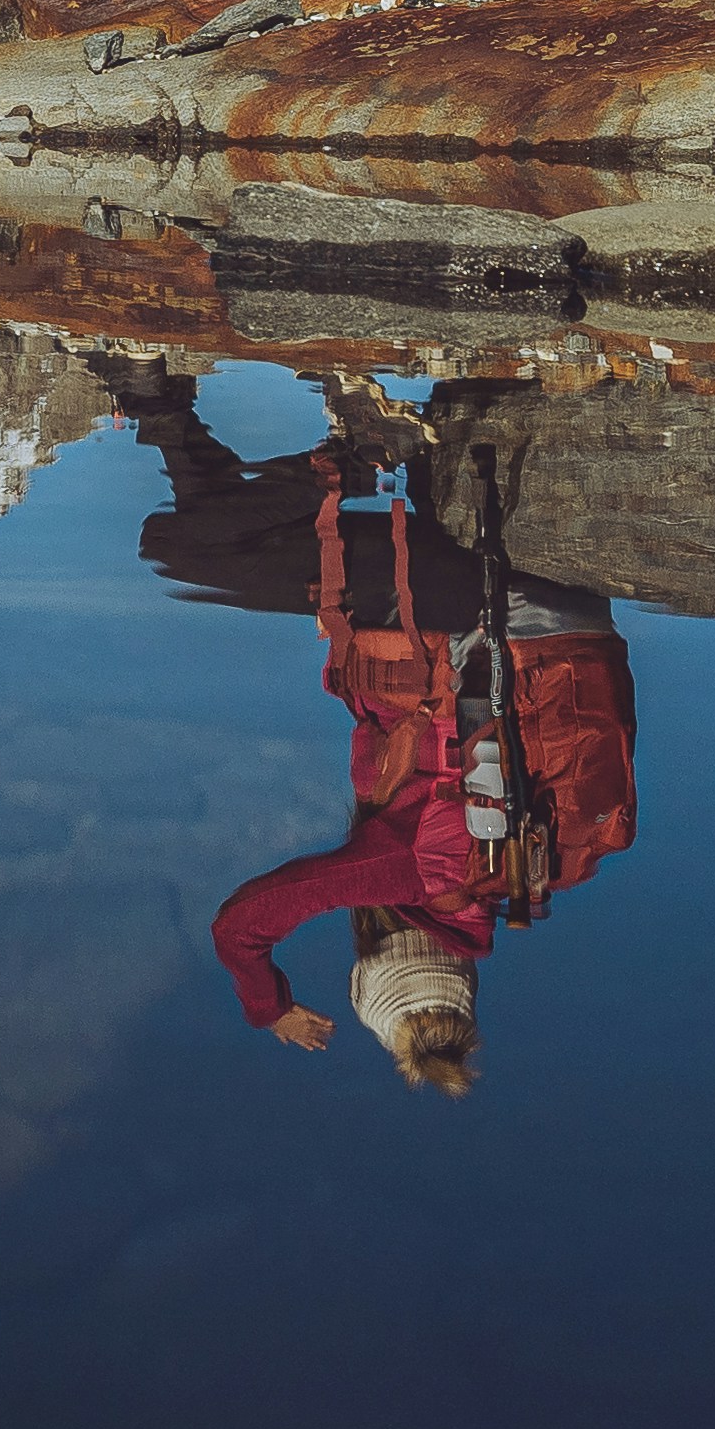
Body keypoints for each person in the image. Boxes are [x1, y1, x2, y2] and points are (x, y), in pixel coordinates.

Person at [103, 359, 639, 1094]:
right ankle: (359, 454)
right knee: (186, 549)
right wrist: (269, 1008)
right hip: (489, 616)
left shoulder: (509, 876)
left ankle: (151, 398)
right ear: (374, 965)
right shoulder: (410, 876)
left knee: (225, 540)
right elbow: (242, 925)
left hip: (545, 627)